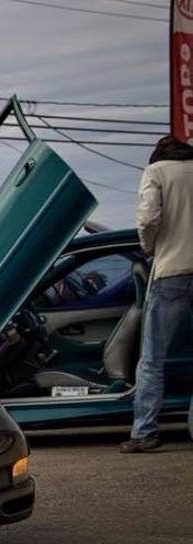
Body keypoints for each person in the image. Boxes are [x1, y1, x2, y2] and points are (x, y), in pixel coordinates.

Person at [120, 134, 193, 453]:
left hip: (171, 271)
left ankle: (145, 431)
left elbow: (148, 218)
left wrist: (151, 247)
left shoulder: (156, 172)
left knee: (152, 359)